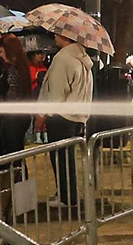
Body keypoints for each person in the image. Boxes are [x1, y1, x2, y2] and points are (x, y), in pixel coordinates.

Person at [37, 32, 95, 206]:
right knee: (68, 156)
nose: (55, 36)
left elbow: (57, 93)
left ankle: (65, 196)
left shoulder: (63, 59)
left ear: (66, 37)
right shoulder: (82, 59)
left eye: (58, 34)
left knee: (61, 157)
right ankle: (66, 193)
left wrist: (45, 113)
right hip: (78, 115)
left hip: (62, 115)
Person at [0, 34, 34, 155]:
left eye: (1, 51)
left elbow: (12, 95)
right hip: (22, 116)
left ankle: (17, 174)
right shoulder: (22, 67)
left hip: (13, 118)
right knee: (17, 154)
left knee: (12, 155)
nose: (0, 55)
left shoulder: (13, 70)